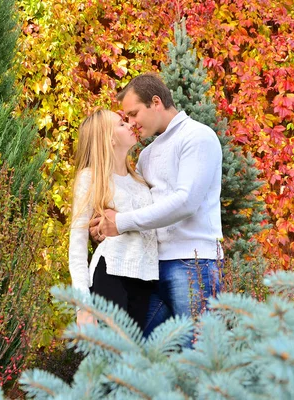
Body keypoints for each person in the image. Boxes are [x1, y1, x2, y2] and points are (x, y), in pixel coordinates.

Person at [90, 73, 224, 338]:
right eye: (126, 118)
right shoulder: (147, 155)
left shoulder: (197, 137)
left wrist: (121, 222)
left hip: (193, 264)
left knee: (196, 353)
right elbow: (135, 202)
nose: (131, 123)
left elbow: (186, 202)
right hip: (151, 270)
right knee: (142, 356)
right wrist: (102, 225)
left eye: (134, 113)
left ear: (156, 102)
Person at [69, 108, 158, 329]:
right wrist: (83, 306)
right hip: (111, 275)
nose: (130, 125)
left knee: (133, 361)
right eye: (121, 124)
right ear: (109, 139)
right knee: (112, 359)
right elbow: (77, 244)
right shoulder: (91, 177)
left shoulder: (139, 179)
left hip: (146, 280)